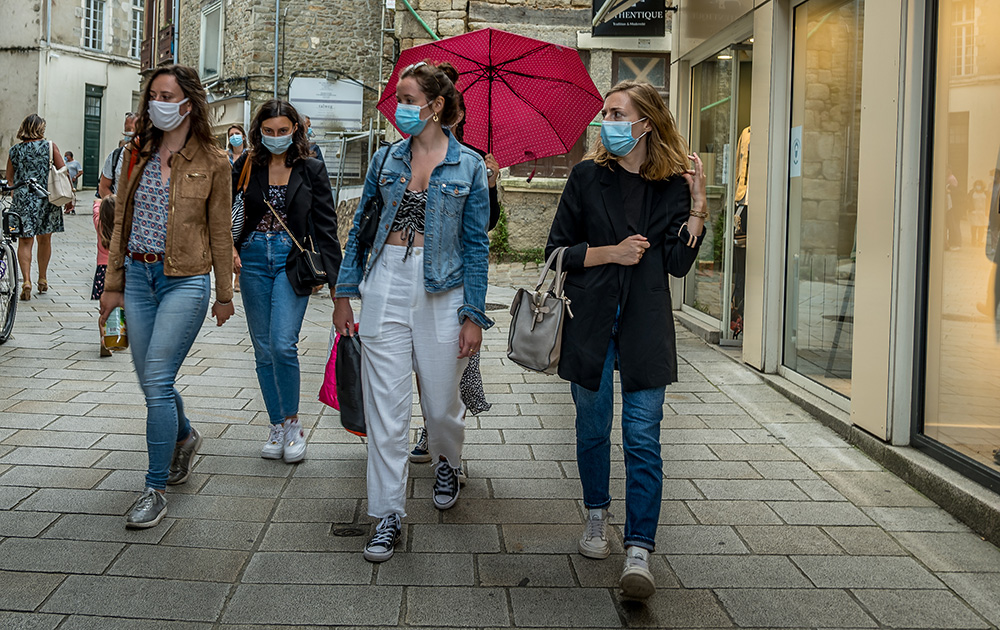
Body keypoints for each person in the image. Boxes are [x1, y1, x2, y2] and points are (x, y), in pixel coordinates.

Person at [545, 80, 707, 600]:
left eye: (617, 113)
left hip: (645, 326)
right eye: (606, 114)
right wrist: (609, 253)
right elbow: (555, 253)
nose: (606, 123)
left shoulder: (671, 188)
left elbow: (679, 264)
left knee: (642, 437)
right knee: (593, 428)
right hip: (591, 324)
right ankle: (597, 514)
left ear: (646, 124)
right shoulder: (587, 178)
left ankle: (639, 548)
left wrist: (699, 202)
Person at [334, 60, 492, 563]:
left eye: (407, 98)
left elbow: (476, 248)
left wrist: (473, 314)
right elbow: (361, 227)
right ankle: (387, 516)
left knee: (443, 403)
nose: (399, 107)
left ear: (435, 105)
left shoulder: (469, 166)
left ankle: (446, 457)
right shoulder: (385, 160)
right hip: (386, 282)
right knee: (386, 409)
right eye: (397, 99)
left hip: (444, 288)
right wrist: (344, 291)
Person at [99, 64, 235, 529]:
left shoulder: (215, 161)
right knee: (150, 382)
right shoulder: (134, 152)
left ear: (189, 103)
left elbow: (220, 233)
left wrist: (224, 294)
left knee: (155, 381)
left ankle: (154, 488)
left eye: (168, 94)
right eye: (153, 94)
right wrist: (112, 285)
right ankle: (185, 435)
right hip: (138, 276)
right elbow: (120, 223)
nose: (158, 101)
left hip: (186, 279)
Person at [232, 99, 341, 464]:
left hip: (291, 261)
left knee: (282, 344)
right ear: (258, 132)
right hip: (251, 258)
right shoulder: (245, 165)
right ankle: (276, 424)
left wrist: (337, 284)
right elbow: (225, 213)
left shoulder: (311, 168)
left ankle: (293, 424)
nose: (276, 137)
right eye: (268, 131)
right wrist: (227, 251)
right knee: (263, 349)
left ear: (295, 129)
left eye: (282, 131)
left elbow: (326, 227)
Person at [409, 70, 501, 463]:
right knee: (424, 370)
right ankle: (432, 429)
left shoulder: (474, 159)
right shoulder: (401, 157)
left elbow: (487, 225)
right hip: (413, 277)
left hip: (456, 279)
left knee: (452, 374)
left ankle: (447, 450)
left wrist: (493, 184)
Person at [5, 114, 71, 301]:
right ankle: (42, 278)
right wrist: (70, 197)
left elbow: (10, 179)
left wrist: (17, 194)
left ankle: (26, 280)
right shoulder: (50, 147)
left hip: (23, 200)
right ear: (40, 129)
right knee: (45, 240)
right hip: (47, 198)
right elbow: (63, 172)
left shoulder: (15, 151)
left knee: (25, 242)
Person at [93, 194, 116, 357]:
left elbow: (95, 210)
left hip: (103, 271)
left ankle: (103, 339)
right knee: (122, 307)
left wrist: (98, 202)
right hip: (121, 271)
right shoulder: (124, 228)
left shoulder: (99, 224)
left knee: (104, 311)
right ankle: (119, 336)